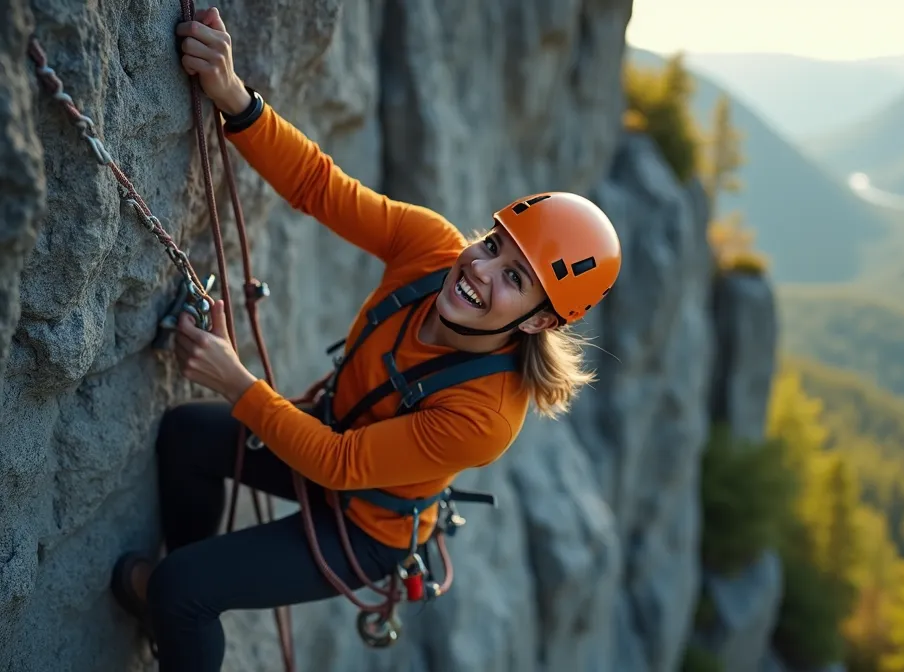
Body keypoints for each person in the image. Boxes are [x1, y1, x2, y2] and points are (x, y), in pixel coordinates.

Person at [108, 6, 622, 670]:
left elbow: (342, 466)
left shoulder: (487, 415)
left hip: (365, 525)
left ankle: (177, 599)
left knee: (180, 592)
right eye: (494, 244)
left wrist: (238, 383)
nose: (479, 269)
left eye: (514, 278)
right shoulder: (432, 248)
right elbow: (322, 188)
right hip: (322, 438)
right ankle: (181, 595)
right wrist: (232, 96)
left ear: (539, 321)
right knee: (186, 438)